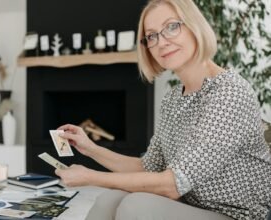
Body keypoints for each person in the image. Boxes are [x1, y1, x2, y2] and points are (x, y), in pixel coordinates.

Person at [54, 0, 271, 219]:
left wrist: (91, 177)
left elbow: (172, 184)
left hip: (238, 214)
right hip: (193, 206)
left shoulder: (228, 93)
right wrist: (90, 148)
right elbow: (149, 168)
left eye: (171, 27)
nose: (161, 42)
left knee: (136, 206)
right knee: (109, 199)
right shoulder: (173, 99)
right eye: (152, 36)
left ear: (194, 26)